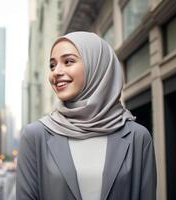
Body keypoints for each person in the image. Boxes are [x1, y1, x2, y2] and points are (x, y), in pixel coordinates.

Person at [16, 32, 157, 200]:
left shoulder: (137, 137)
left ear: (96, 66)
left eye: (68, 61)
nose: (56, 72)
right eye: (52, 65)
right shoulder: (35, 136)